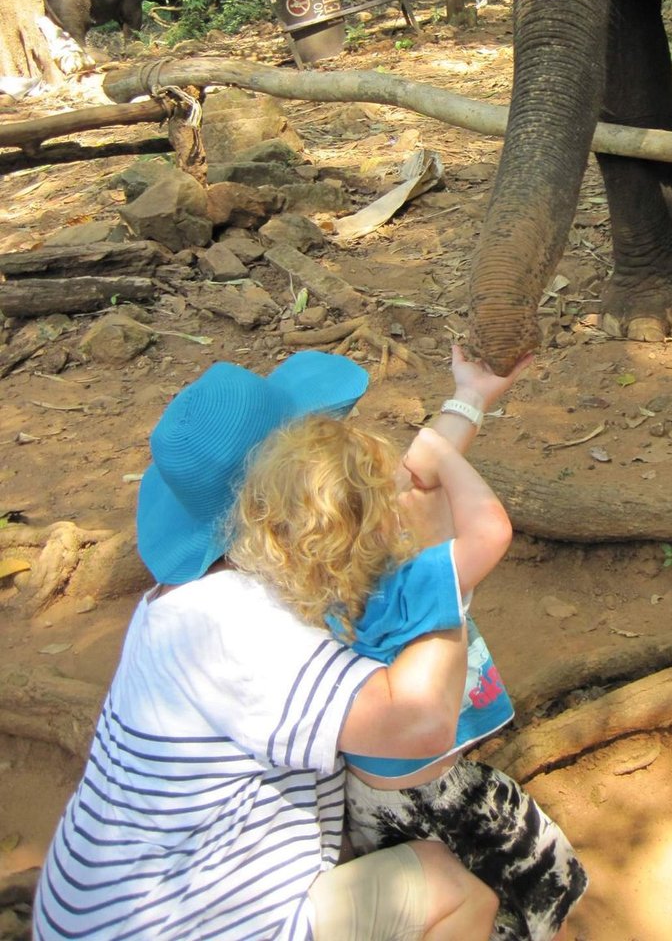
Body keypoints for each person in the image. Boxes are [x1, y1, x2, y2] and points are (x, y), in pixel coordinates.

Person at [33, 347, 530, 940]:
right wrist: (436, 573)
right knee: (454, 892)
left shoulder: (207, 585)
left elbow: (392, 493)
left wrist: (468, 396)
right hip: (187, 928)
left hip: (93, 911)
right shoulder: (249, 631)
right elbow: (417, 721)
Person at [235, 361, 588, 941]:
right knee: (538, 876)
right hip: (442, 794)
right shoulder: (414, 581)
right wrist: (447, 458)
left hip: (370, 802)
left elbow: (408, 481)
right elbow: (491, 529)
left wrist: (469, 398)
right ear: (380, 520)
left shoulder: (302, 593)